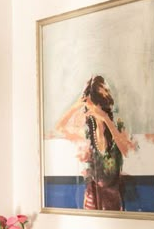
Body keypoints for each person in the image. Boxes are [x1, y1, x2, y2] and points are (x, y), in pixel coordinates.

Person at [53, 75, 136, 211]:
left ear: (103, 104)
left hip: (113, 195)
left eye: (94, 106)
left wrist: (104, 119)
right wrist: (77, 105)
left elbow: (125, 150)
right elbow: (60, 127)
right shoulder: (87, 130)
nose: (91, 111)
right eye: (89, 107)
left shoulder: (117, 126)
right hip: (92, 196)